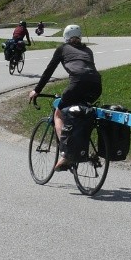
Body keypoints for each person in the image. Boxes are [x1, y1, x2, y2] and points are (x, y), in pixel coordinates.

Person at [27, 23, 101, 171]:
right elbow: (86, 70)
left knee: (58, 113)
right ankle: (80, 147)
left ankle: (65, 153)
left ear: (65, 37)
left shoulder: (62, 49)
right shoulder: (88, 50)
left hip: (76, 85)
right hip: (96, 86)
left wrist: (37, 90)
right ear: (79, 36)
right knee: (81, 113)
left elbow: (49, 71)